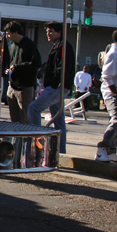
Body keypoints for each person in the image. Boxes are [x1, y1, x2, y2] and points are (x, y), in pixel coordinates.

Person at [27, 21, 75, 154]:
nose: (48, 34)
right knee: (58, 119)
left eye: (51, 31)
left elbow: (63, 68)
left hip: (57, 87)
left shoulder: (63, 47)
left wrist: (54, 85)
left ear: (59, 32)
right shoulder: (57, 46)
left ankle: (37, 146)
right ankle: (60, 152)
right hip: (57, 86)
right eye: (47, 31)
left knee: (34, 108)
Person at [95, 29, 117, 163]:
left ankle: (111, 152)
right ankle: (102, 149)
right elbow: (106, 75)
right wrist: (114, 92)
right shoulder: (114, 54)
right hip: (112, 94)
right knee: (116, 120)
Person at [4, 21, 41, 124]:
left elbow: (36, 63)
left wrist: (17, 67)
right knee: (14, 119)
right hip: (12, 86)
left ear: (16, 32)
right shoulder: (11, 47)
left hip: (25, 87)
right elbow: (9, 62)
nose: (7, 37)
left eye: (9, 34)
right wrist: (8, 69)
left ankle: (26, 139)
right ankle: (16, 139)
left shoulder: (29, 45)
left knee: (25, 118)